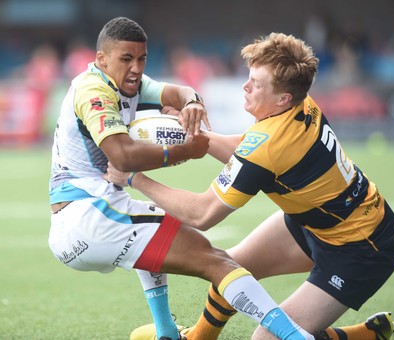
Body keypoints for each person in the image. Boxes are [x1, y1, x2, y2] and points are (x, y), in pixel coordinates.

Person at [105, 33, 394, 339]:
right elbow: (248, 150)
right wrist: (194, 134)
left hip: (362, 248)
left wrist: (133, 178)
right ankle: (198, 337)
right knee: (229, 269)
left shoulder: (270, 144)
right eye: (248, 78)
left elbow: (202, 214)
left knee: (266, 337)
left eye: (256, 84)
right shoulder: (298, 101)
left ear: (282, 98)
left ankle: (361, 336)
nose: (245, 87)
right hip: (317, 223)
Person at [48, 17, 316, 340]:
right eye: (126, 59)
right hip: (90, 217)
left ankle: (166, 334)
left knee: (149, 229)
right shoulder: (93, 90)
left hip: (82, 221)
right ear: (101, 59)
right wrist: (184, 151)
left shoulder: (128, 82)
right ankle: (297, 338)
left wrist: (191, 102)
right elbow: (121, 156)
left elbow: (177, 92)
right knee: (218, 262)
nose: (135, 68)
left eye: (142, 58)